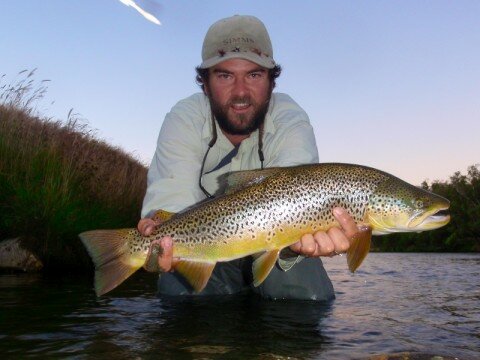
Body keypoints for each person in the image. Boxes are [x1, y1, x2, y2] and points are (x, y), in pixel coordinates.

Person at [137, 15, 358, 300]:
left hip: (275, 246)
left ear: (271, 82)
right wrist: (159, 234)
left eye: (254, 75)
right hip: (208, 245)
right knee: (179, 286)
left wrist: (298, 243)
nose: (240, 92)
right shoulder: (184, 118)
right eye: (225, 75)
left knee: (304, 291)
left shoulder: (291, 120)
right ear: (204, 84)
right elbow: (172, 196)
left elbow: (298, 191)